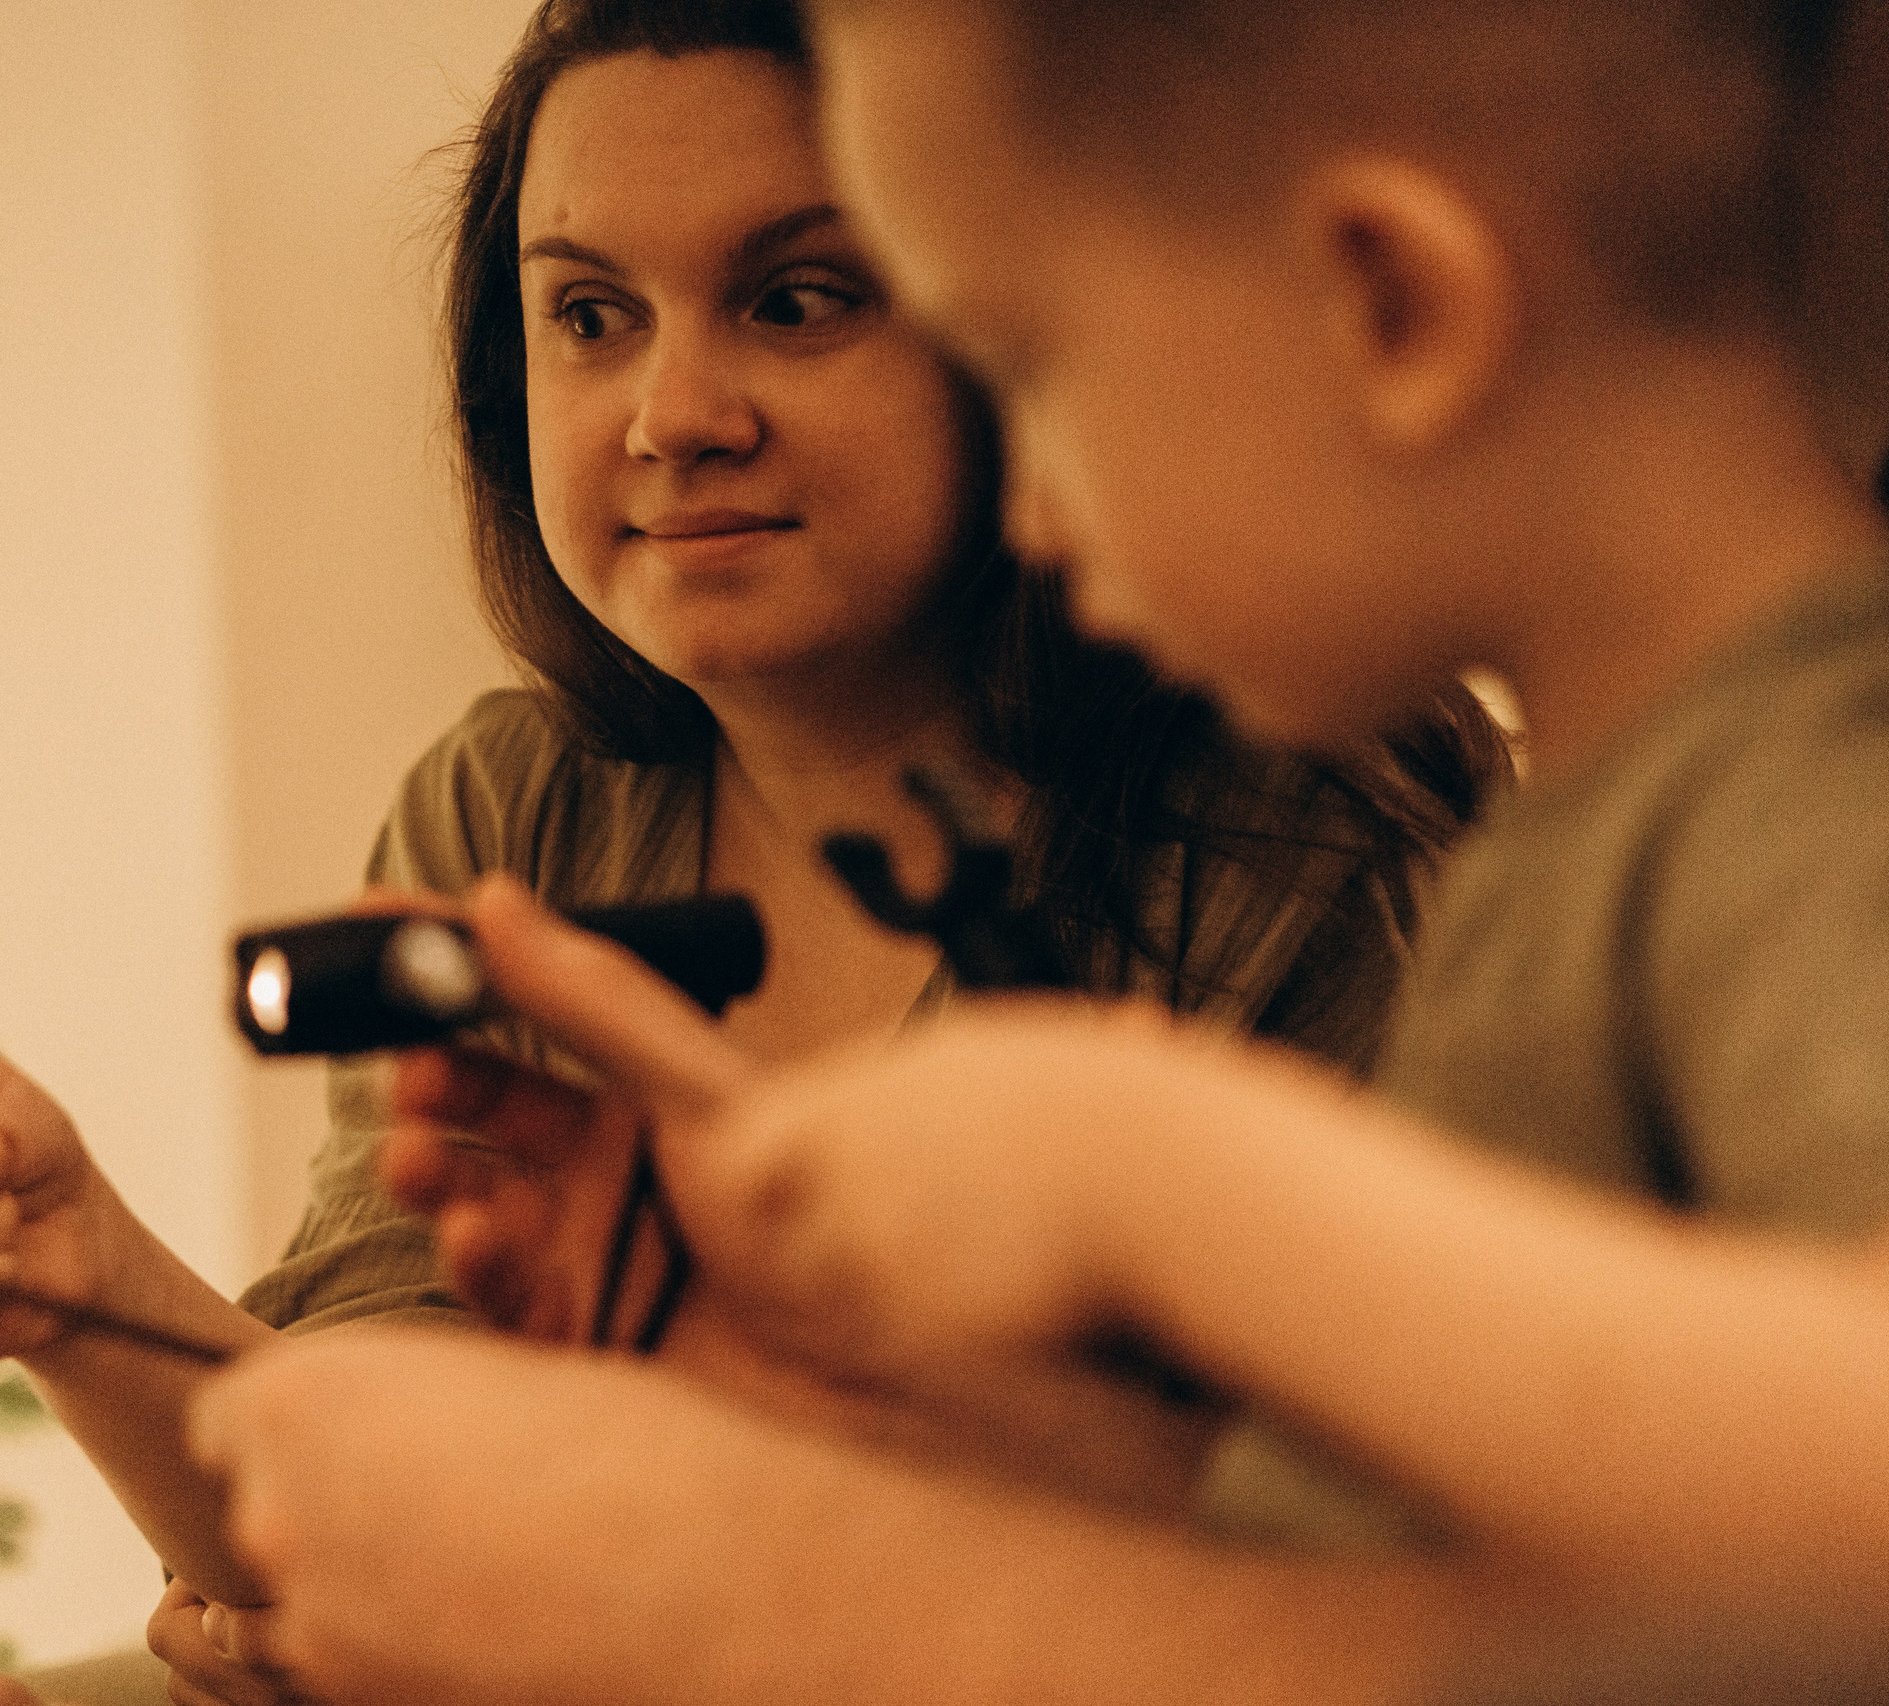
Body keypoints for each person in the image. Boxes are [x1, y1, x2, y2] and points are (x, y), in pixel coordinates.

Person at [0, 0, 1504, 1700]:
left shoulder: (1306, 854)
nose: (673, 414)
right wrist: (76, 1278)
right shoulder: (515, 814)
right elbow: (352, 1518)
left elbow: (1385, 1607)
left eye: (798, 301)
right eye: (590, 317)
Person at [175, 0, 1889, 1698]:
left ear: (1386, 304)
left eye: (1025, 357)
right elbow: (1454, 1603)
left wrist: (1136, 1172)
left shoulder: (1810, 809)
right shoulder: (1590, 849)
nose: (1026, 499)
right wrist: (873, 1399)